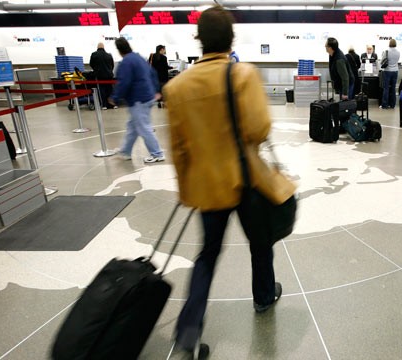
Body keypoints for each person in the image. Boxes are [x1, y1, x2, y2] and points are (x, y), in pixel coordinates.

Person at [163, 6, 296, 358]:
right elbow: (260, 129)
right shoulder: (243, 75)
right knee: (260, 242)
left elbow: (178, 150)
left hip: (208, 185)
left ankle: (188, 334)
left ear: (199, 40)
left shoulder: (176, 88)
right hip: (246, 179)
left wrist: (186, 189)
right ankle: (264, 297)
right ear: (231, 39)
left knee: (207, 255)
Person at [108, 37, 165, 163]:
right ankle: (125, 151)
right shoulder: (139, 58)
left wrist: (115, 97)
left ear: (119, 50)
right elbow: (153, 73)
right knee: (132, 126)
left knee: (143, 127)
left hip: (138, 99)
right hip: (147, 96)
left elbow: (124, 82)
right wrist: (156, 90)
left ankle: (157, 153)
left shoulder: (126, 62)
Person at [89, 42, 115, 110]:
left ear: (97, 47)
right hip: (109, 76)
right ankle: (112, 105)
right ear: (104, 47)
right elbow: (112, 65)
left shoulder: (94, 55)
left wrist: (96, 70)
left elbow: (91, 64)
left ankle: (104, 105)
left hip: (99, 76)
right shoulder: (109, 55)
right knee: (110, 90)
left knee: (101, 91)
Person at [380, 38, 400, 109]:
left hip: (387, 71)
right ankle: (392, 104)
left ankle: (384, 105)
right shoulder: (398, 52)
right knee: (393, 88)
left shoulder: (387, 52)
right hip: (395, 71)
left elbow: (382, 61)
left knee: (386, 88)